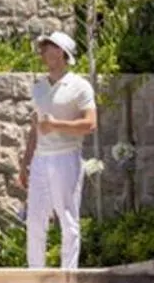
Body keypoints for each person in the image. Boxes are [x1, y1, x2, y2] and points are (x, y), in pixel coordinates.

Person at [22, 31, 97, 270]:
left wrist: (56, 125)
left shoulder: (80, 86)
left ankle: (69, 274)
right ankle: (34, 273)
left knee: (67, 217)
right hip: (40, 160)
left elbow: (90, 124)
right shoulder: (39, 86)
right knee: (34, 219)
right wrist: (26, 162)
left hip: (66, 157)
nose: (42, 51)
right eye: (42, 47)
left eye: (47, 47)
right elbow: (35, 127)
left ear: (61, 52)